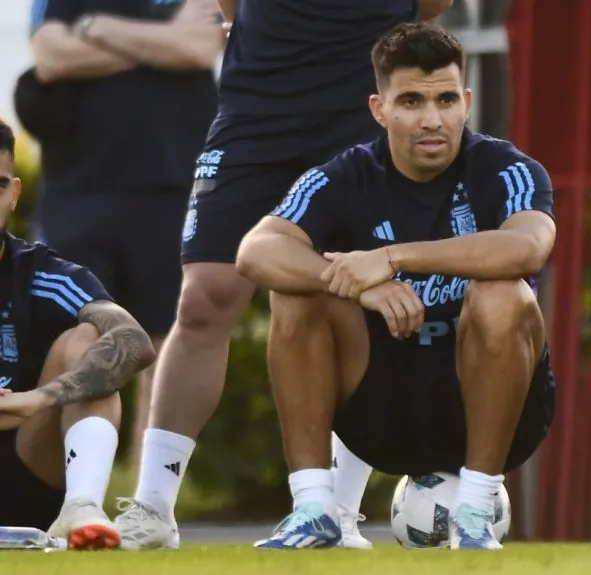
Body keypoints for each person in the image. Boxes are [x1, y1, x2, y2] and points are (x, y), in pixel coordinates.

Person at [113, 0, 455, 551]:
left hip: (356, 115)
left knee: (353, 295)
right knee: (205, 296)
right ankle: (152, 508)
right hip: (255, 117)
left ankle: (337, 512)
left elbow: (433, 5)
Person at [235, 23, 557, 550]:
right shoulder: (345, 175)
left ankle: (474, 514)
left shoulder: (508, 169)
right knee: (297, 293)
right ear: (379, 109)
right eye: (410, 101)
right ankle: (315, 509)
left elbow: (525, 248)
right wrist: (352, 285)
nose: (432, 120)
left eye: (447, 100)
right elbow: (256, 250)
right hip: (381, 406)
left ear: (467, 103)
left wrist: (389, 259)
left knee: (503, 291)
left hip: (497, 409)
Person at [27, 0, 223, 469]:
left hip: (175, 184)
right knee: (71, 336)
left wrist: (96, 29)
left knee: (167, 338)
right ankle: (58, 490)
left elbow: (197, 49)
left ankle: (148, 497)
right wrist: (159, 40)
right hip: (78, 191)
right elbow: (52, 59)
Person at [0, 120, 157, 550]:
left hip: (31, 467)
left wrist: (39, 398)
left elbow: (133, 341)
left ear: (13, 193)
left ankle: (83, 509)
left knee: (93, 346)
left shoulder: (42, 274)